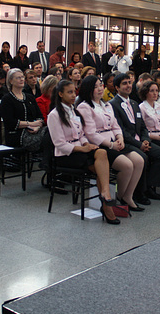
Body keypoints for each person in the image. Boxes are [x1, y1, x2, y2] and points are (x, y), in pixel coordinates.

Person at [47, 80, 120, 224]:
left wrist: (87, 144)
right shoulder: (54, 115)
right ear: (60, 94)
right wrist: (82, 148)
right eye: (69, 92)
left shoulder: (74, 111)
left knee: (101, 153)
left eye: (74, 92)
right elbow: (59, 144)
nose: (74, 95)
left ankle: (105, 193)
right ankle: (107, 205)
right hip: (65, 155)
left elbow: (81, 135)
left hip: (81, 150)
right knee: (100, 168)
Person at [76, 76, 145, 211]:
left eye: (100, 85)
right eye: (95, 87)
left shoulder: (106, 105)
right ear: (88, 89)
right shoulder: (84, 107)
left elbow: (115, 125)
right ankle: (117, 198)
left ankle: (127, 196)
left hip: (114, 141)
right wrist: (110, 144)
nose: (99, 89)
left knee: (139, 160)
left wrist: (120, 138)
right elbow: (90, 133)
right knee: (127, 166)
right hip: (100, 146)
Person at [109, 73, 160, 205]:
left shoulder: (134, 103)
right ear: (117, 87)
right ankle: (138, 192)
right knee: (143, 157)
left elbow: (143, 126)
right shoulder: (113, 105)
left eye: (129, 82)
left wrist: (145, 140)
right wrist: (139, 144)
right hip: (127, 142)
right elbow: (121, 130)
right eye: (124, 83)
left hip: (140, 140)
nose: (128, 86)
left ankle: (150, 187)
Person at [0, 69, 46, 150]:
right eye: (18, 78)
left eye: (22, 77)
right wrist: (30, 124)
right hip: (16, 134)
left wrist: (37, 127)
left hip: (34, 131)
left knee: (52, 132)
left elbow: (40, 117)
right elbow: (10, 122)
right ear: (11, 81)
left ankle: (47, 161)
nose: (21, 79)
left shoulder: (29, 97)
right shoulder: (7, 99)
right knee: (49, 139)